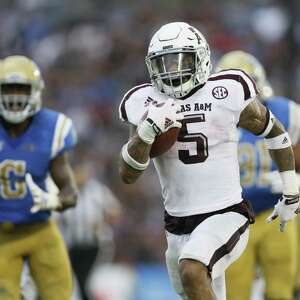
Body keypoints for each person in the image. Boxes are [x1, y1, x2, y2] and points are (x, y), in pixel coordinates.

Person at [118, 22, 300, 300]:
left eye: (181, 60)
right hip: (177, 224)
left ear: (201, 58)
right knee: (196, 287)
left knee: (192, 270)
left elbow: (275, 133)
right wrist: (146, 131)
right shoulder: (144, 101)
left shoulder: (225, 91)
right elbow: (128, 174)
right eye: (164, 62)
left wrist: (291, 191)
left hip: (226, 212)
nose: (173, 70)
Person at [215, 50, 300, 300]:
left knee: (280, 291)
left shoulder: (285, 112)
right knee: (235, 294)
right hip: (234, 220)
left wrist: (294, 180)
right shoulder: (213, 124)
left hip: (276, 213)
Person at [0, 55, 78, 300]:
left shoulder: (52, 128)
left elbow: (70, 192)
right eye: (8, 89)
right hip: (2, 235)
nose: (14, 96)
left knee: (59, 295)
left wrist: (52, 201)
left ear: (35, 92)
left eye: (20, 89)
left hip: (40, 231)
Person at [57, 161, 122, 300]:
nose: (81, 177)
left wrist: (103, 221)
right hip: (72, 245)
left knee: (84, 279)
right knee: (69, 279)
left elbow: (115, 211)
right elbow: (55, 216)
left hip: (95, 245)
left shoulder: (98, 191)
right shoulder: (66, 192)